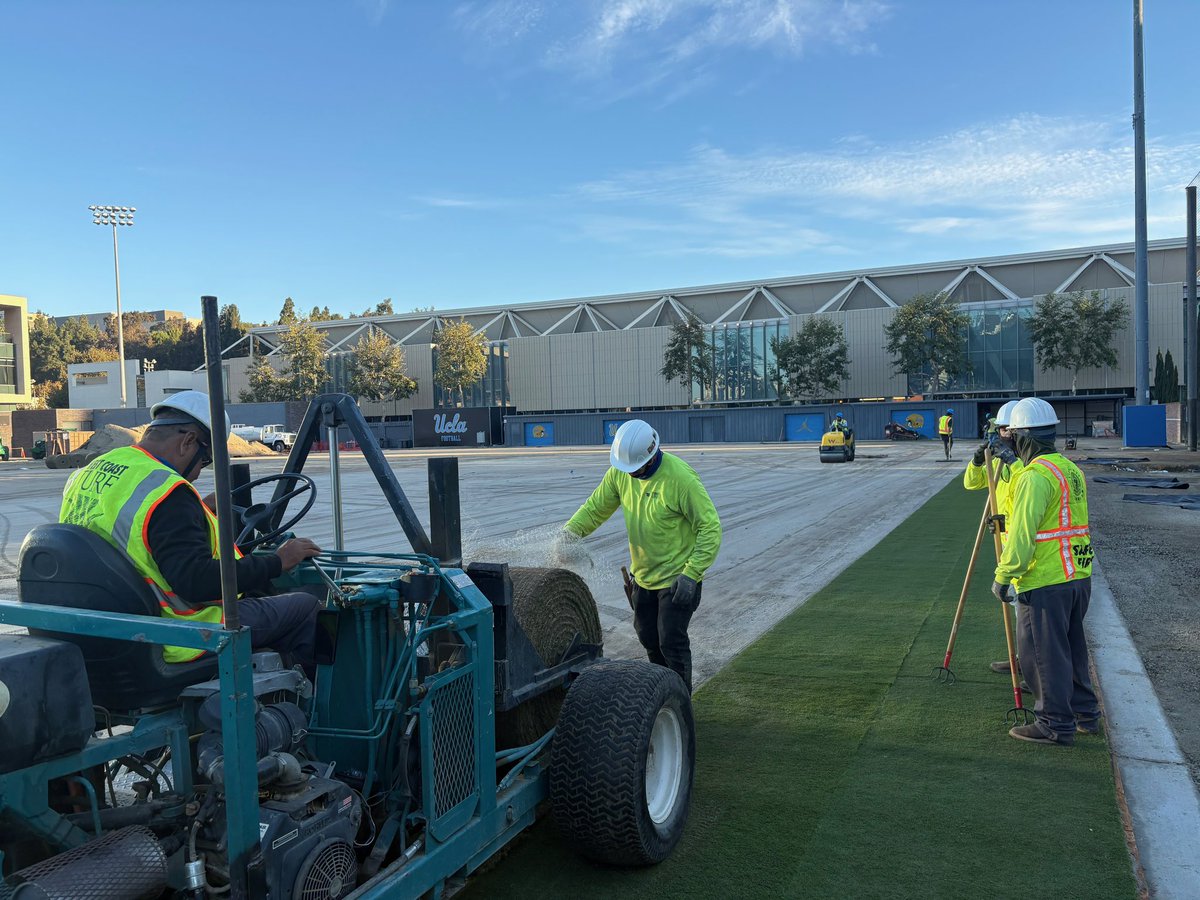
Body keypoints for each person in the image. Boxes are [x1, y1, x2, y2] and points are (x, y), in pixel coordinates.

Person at [60, 390, 324, 676]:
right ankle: (306, 707)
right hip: (178, 631)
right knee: (306, 607)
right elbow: (195, 582)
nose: (198, 473)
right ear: (188, 442)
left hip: (109, 622)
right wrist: (277, 562)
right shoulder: (169, 494)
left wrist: (198, 509)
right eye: (204, 460)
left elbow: (133, 531)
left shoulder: (95, 469)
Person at [557, 419, 721, 692]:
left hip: (678, 580)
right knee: (648, 638)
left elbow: (709, 528)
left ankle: (680, 705)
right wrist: (570, 533)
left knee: (671, 640)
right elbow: (596, 507)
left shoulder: (680, 479)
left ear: (652, 454)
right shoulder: (620, 473)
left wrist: (692, 574)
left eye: (635, 469)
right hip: (643, 578)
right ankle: (660, 694)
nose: (630, 474)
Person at [991, 397, 1099, 746]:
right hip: (1077, 575)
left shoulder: (1034, 478)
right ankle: (1085, 714)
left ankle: (1055, 724)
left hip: (1046, 578)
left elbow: (1023, 535)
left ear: (1024, 438)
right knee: (1072, 646)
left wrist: (1004, 575)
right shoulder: (1069, 469)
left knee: (1041, 654)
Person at [963, 400, 1023, 675]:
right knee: (1018, 608)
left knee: (1027, 610)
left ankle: (1033, 666)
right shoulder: (998, 459)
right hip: (1006, 539)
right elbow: (972, 483)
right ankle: (1023, 660)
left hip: (1026, 543)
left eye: (1009, 431)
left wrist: (1012, 460)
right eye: (1002, 430)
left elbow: (1029, 488)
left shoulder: (1030, 462)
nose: (1005, 435)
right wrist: (978, 461)